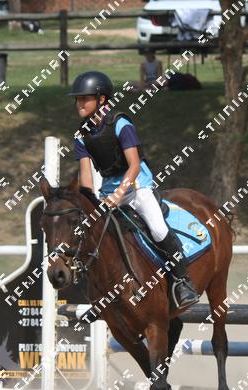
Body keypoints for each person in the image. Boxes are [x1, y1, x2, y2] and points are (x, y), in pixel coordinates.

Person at [69, 70, 198, 309]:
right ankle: (100, 292)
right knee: (92, 236)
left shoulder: (121, 124)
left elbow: (135, 165)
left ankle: (183, 281)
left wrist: (119, 194)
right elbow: (86, 177)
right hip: (108, 193)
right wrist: (88, 203)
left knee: (158, 229)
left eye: (84, 98)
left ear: (101, 99)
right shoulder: (82, 135)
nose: (79, 103)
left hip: (137, 187)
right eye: (77, 99)